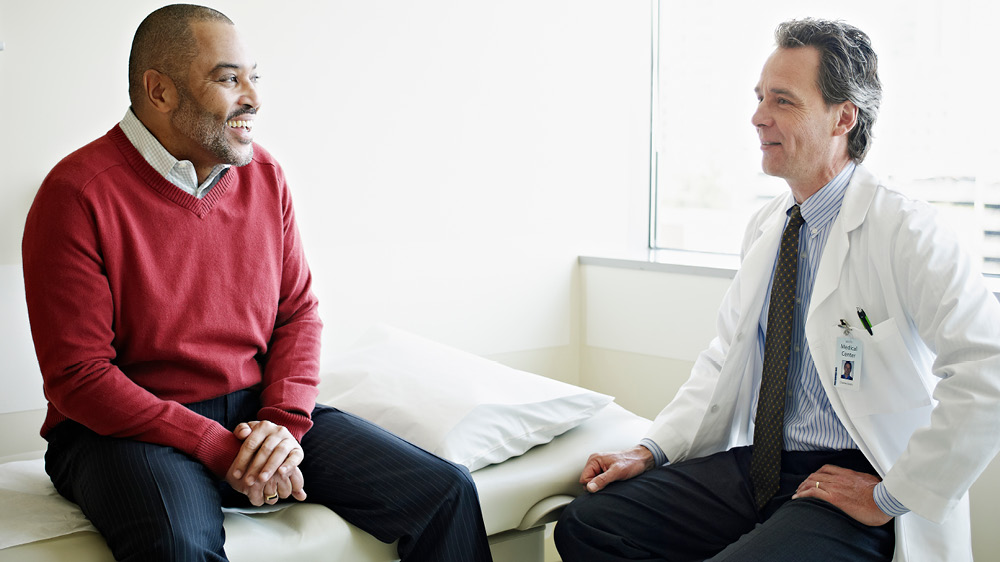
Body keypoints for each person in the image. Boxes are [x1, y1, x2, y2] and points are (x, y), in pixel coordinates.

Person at [21, 5, 493, 562]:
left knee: (445, 491)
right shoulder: (76, 193)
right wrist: (214, 445)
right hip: (125, 430)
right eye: (228, 78)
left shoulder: (265, 175)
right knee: (178, 546)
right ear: (160, 92)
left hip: (256, 412)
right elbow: (79, 378)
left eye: (253, 76)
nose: (253, 97)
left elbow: (298, 314)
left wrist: (283, 424)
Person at [555, 18, 1000, 562]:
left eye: (783, 101)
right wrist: (650, 449)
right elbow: (725, 360)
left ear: (843, 117)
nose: (758, 116)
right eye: (760, 96)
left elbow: (988, 365)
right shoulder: (770, 227)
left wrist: (893, 494)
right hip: (763, 466)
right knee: (589, 524)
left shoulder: (907, 230)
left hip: (854, 473)